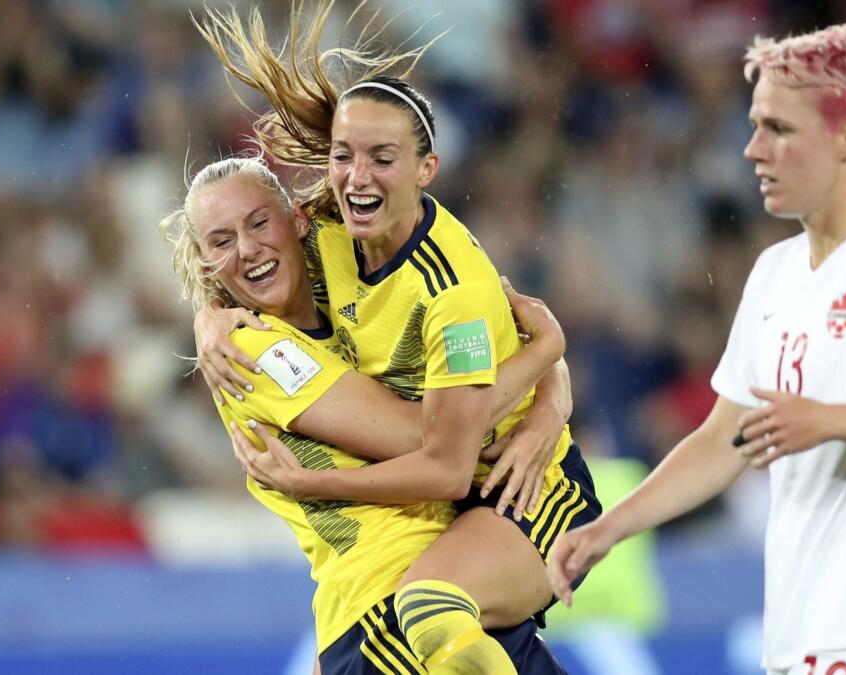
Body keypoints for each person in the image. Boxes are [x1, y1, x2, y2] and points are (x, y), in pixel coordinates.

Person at [548, 24, 846, 675]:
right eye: (754, 126)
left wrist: (831, 419)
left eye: (778, 129)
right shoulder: (774, 272)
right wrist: (608, 527)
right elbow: (723, 439)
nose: (751, 150)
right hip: (799, 634)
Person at [190, 3, 601, 669]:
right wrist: (205, 317)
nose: (357, 176)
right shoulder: (322, 244)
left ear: (426, 169)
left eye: (382, 157)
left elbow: (443, 457)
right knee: (434, 610)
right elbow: (515, 351)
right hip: (409, 561)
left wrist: (549, 380)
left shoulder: (449, 289)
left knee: (432, 603)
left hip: (522, 496)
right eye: (343, 157)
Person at [161, 155, 570, 673]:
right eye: (221, 241)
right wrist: (547, 351)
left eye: (259, 222)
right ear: (204, 264)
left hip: (433, 587)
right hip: (394, 614)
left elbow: (493, 328)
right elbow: (425, 440)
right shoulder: (253, 349)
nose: (247, 249)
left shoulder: (349, 278)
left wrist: (551, 397)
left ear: (297, 219)